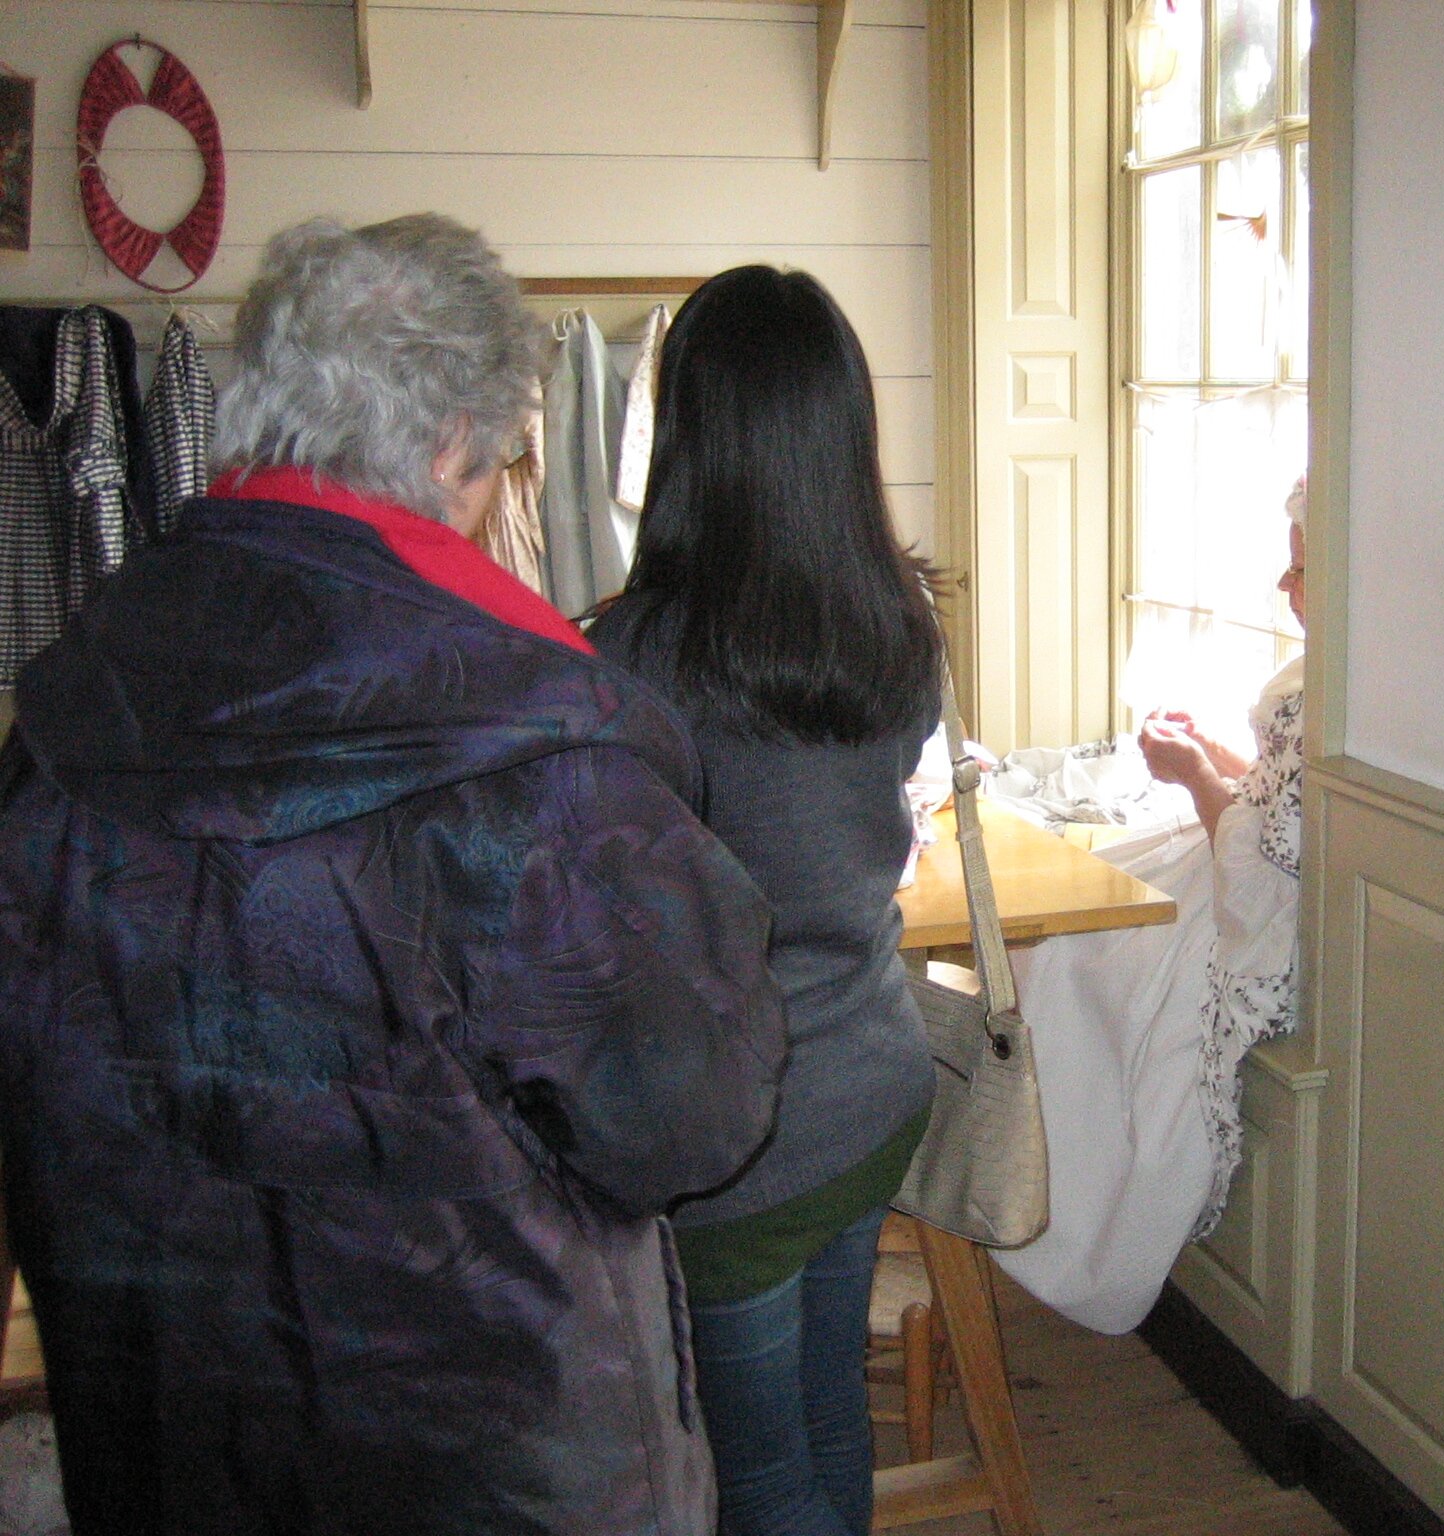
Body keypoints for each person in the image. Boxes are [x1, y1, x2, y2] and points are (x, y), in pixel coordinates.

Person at [0, 215, 789, 1535]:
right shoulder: (542, 763)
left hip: (173, 1429)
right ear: (447, 444)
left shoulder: (61, 727)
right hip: (492, 1460)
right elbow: (691, 1118)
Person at [588, 265, 944, 1536]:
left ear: (689, 436)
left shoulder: (625, 660)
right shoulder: (898, 620)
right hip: (874, 1080)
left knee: (756, 1480)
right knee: (831, 1416)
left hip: (734, 1133)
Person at [992, 478, 1307, 1334]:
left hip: (1257, 916)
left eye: (1302, 571)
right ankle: (1024, 1185)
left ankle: (1064, 1221)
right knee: (1064, 913)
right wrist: (1211, 753)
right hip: (1229, 872)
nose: (1284, 585)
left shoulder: (1348, 695)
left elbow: (1269, 874)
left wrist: (1197, 776)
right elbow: (1278, 802)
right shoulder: (1327, 675)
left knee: (1077, 958)